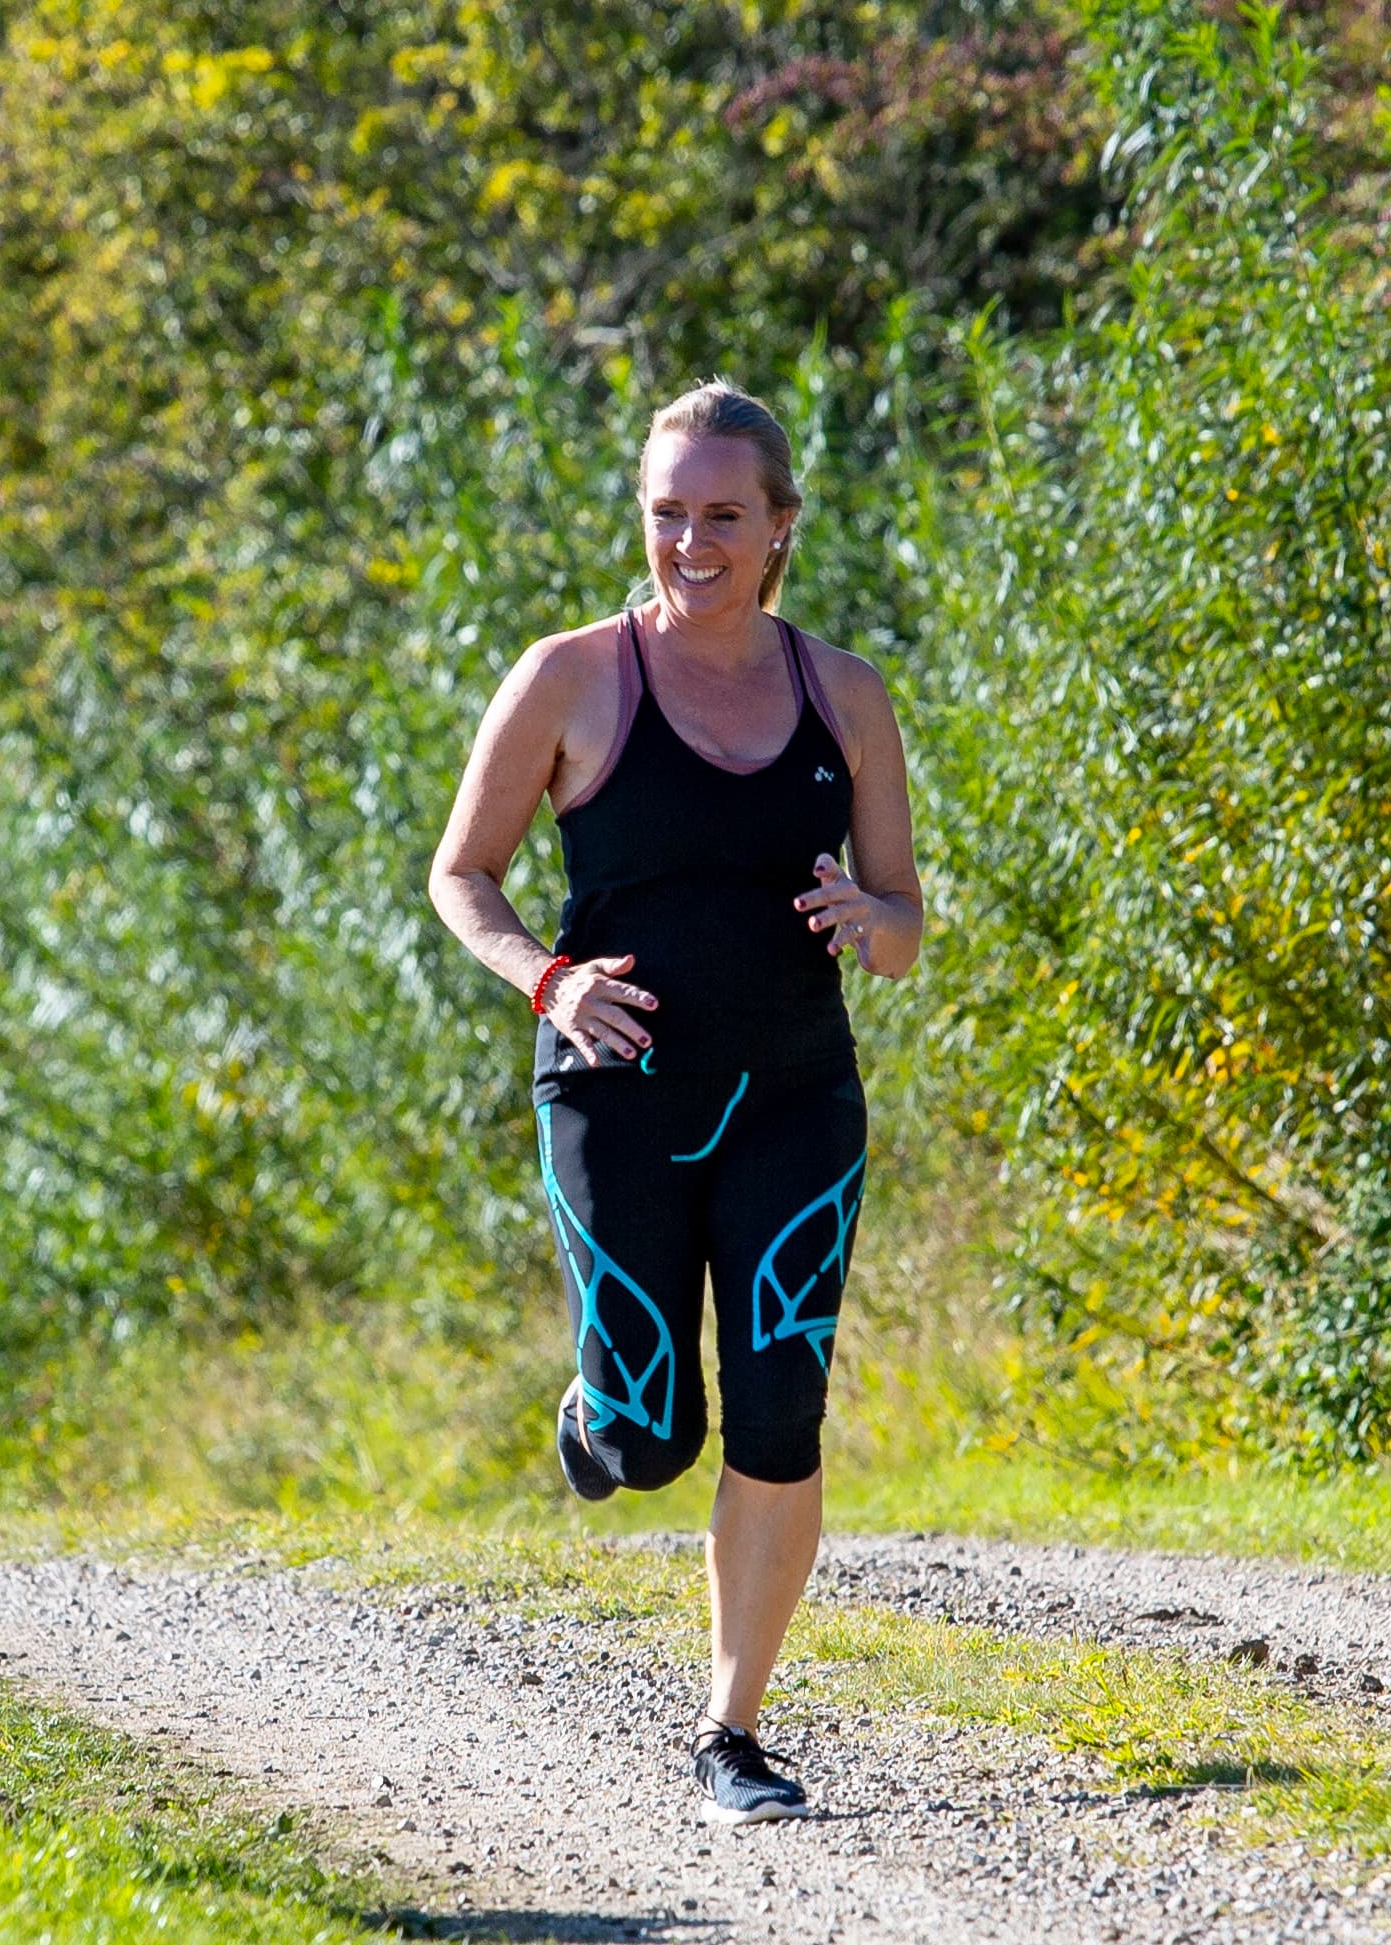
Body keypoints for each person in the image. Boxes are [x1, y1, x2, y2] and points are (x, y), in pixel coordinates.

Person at [427, 378, 923, 1824]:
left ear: (778, 527)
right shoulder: (570, 678)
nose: (690, 543)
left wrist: (862, 913)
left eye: (722, 515)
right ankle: (598, 1398)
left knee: (779, 1404)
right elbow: (463, 872)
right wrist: (546, 980)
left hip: (794, 1095)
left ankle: (732, 1731)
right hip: (618, 1091)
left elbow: (902, 919)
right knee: (649, 1438)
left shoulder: (845, 692)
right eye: (666, 514)